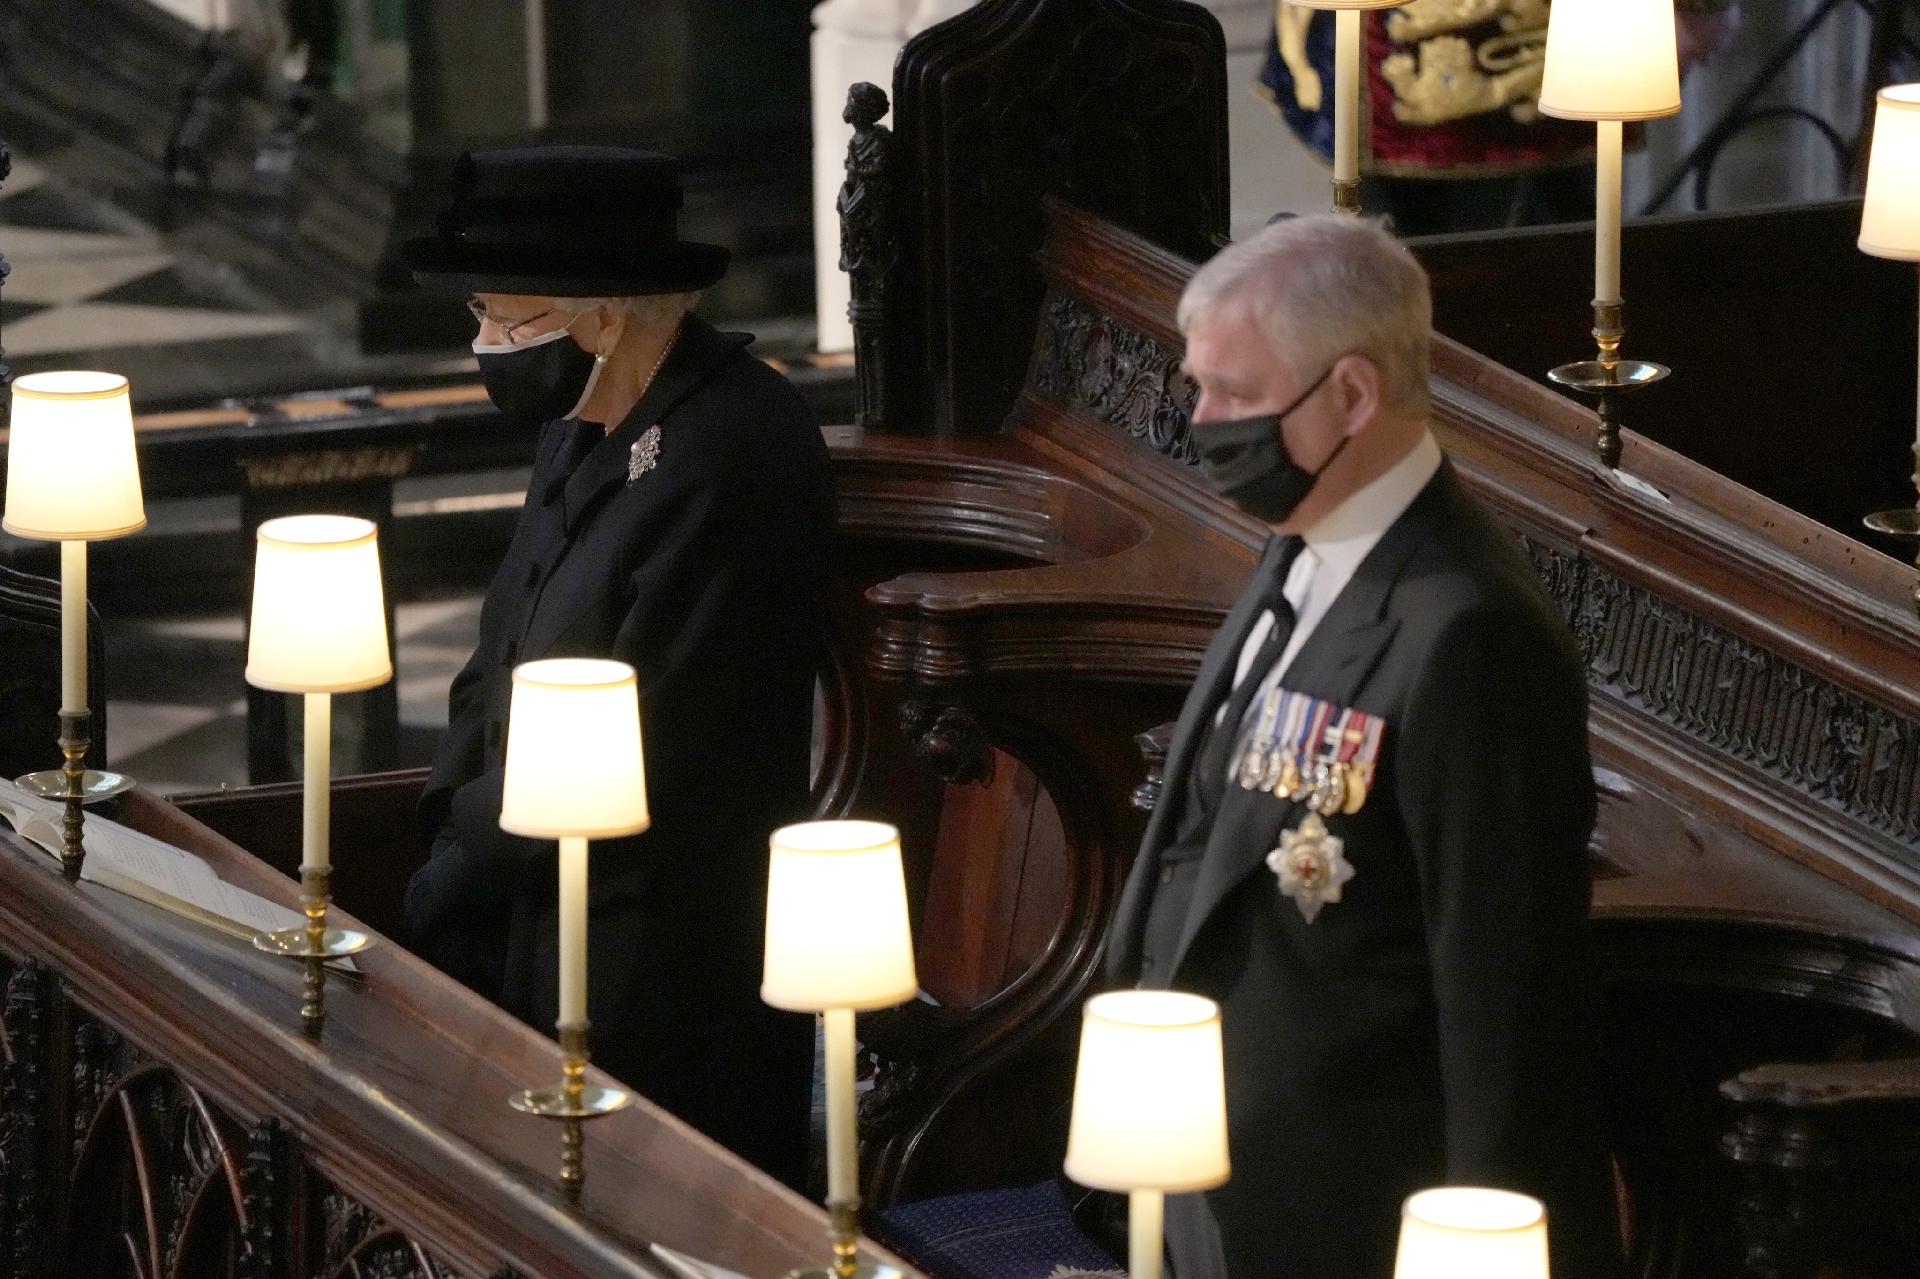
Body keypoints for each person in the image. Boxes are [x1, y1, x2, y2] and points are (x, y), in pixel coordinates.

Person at [1104, 215, 1619, 1279]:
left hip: (1355, 1216)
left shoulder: (1469, 629)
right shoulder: (1308, 545)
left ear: (1351, 395)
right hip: (1216, 1177)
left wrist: (1485, 1245)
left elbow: (1503, 999)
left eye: (1235, 393)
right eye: (1199, 386)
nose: (1203, 422)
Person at [401, 146, 831, 1190]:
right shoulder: (590, 419)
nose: (483, 343)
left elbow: (662, 732)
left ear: (599, 316)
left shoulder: (736, 444)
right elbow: (500, 644)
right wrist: (447, 820)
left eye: (503, 319)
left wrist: (464, 864)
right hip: (527, 893)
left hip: (654, 951)